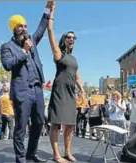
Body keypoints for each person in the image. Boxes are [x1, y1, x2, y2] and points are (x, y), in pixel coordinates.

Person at [0, 2, 54, 162]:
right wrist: (23, 51)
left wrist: (48, 9)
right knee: (21, 127)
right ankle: (21, 158)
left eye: (25, 26)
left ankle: (31, 154)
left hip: (37, 90)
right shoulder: (7, 47)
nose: (24, 28)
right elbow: (7, 65)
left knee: (38, 123)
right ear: (14, 28)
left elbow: (42, 27)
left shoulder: (32, 41)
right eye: (20, 26)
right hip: (22, 91)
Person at [47, 3, 85, 162]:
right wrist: (51, 13)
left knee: (70, 125)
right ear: (64, 40)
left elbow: (76, 76)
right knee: (55, 124)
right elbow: (50, 31)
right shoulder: (58, 53)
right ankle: (56, 155)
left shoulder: (74, 59)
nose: (72, 39)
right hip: (59, 92)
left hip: (70, 94)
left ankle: (67, 152)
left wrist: (82, 89)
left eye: (73, 37)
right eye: (69, 37)